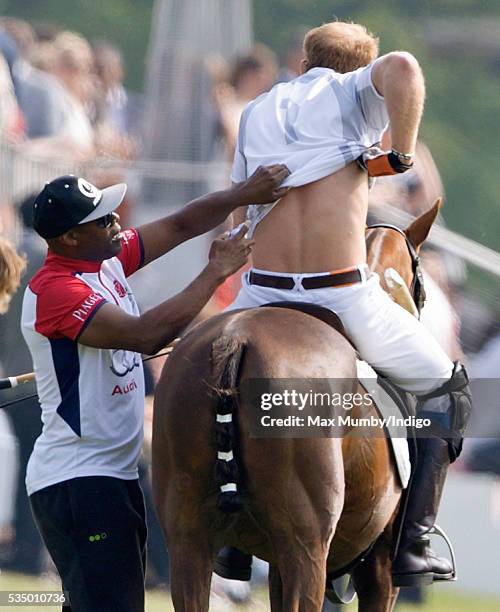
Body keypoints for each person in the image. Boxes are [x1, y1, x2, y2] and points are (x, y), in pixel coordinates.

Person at [215, 21, 472, 588]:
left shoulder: (256, 110)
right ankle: (413, 542)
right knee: (449, 387)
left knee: (214, 387)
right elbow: (404, 68)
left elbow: (236, 216)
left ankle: (231, 541)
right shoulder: (355, 92)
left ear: (304, 62)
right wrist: (399, 154)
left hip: (260, 291)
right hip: (340, 294)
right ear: (358, 69)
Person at [21, 165, 289, 612]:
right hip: (78, 481)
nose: (116, 222)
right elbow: (147, 334)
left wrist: (242, 192)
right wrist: (215, 273)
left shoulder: (105, 258)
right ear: (69, 238)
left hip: (112, 475)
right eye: (102, 219)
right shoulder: (56, 289)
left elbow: (183, 223)